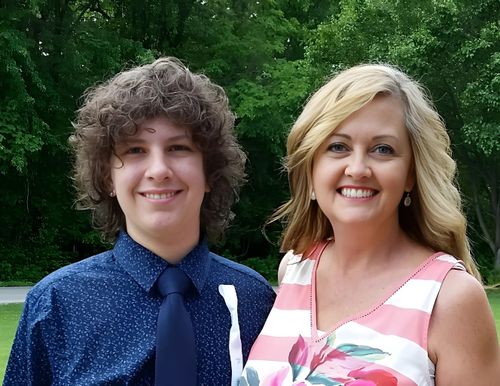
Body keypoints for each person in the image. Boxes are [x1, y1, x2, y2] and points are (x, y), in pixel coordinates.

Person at [4, 57, 276, 385]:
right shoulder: (54, 305)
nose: (158, 169)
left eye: (178, 147)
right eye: (135, 150)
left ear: (210, 173)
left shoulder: (256, 300)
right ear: (106, 177)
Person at [239, 64, 500, 385]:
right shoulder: (294, 269)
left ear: (410, 175)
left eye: (382, 149)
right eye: (338, 146)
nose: (358, 168)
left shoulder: (450, 299)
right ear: (311, 168)